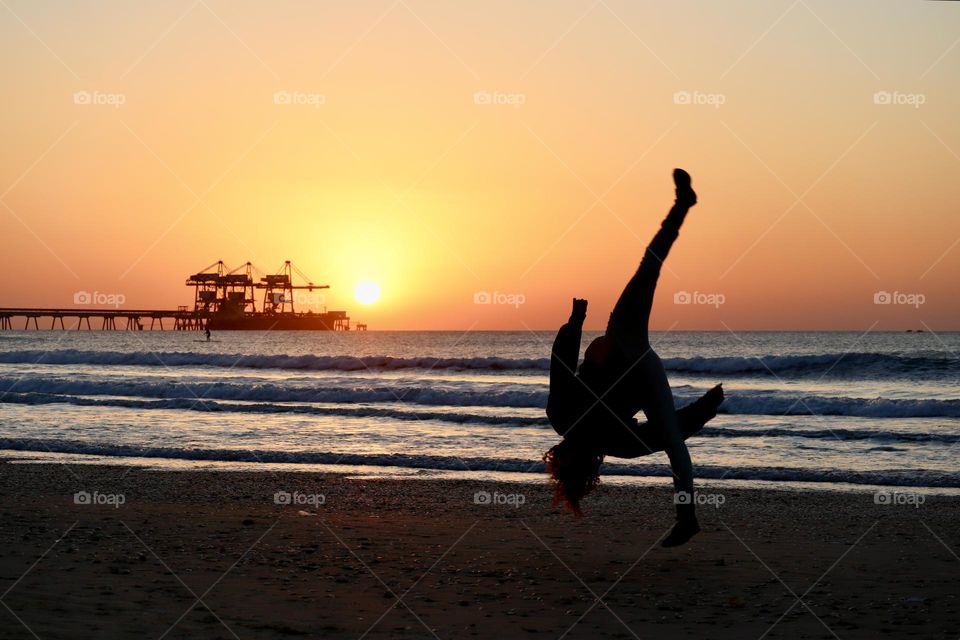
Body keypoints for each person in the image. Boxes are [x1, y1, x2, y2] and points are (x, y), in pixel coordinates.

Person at [543, 168, 723, 548]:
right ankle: (687, 518)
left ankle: (682, 205)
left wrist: (575, 324)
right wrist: (704, 409)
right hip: (641, 366)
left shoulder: (560, 418)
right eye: (574, 463)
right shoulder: (618, 445)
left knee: (648, 269)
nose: (569, 454)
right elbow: (659, 435)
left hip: (623, 340)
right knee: (674, 444)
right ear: (586, 465)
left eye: (564, 459)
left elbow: (559, 368)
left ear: (561, 454)